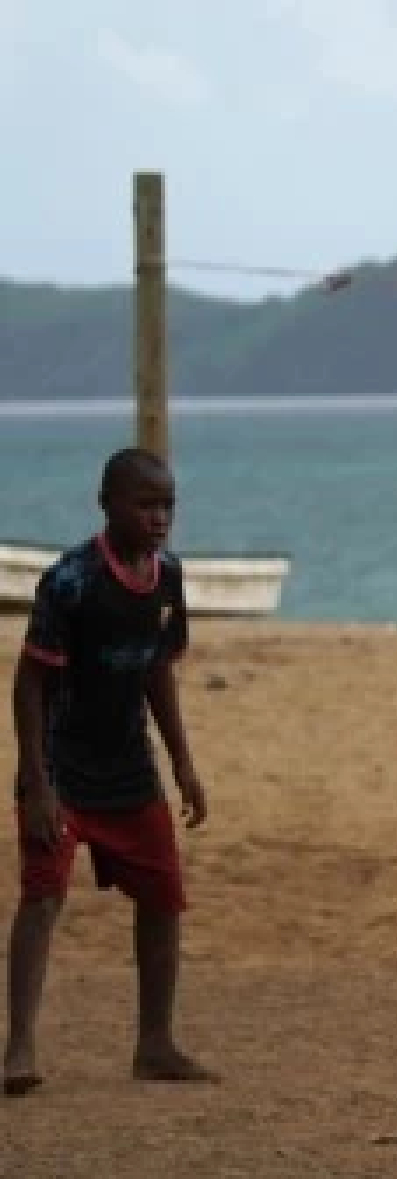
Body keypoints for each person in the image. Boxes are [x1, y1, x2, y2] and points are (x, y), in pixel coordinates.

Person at [7, 448, 212, 1097]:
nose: (159, 518)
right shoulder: (70, 579)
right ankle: (18, 1048)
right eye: (145, 504)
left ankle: (155, 1043)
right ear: (108, 504)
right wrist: (36, 780)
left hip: (129, 764)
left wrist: (182, 762)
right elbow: (30, 680)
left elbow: (157, 668)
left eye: (167, 505)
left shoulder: (168, 577)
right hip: (62, 766)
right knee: (42, 897)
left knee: (162, 898)